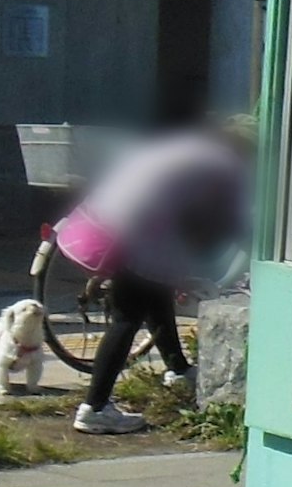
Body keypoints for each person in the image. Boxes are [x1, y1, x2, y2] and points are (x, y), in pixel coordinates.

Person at [61, 122, 253, 434]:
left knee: (156, 293)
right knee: (128, 318)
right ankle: (94, 408)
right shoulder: (225, 165)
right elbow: (226, 222)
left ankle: (177, 368)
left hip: (104, 219)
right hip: (135, 234)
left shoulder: (184, 146)